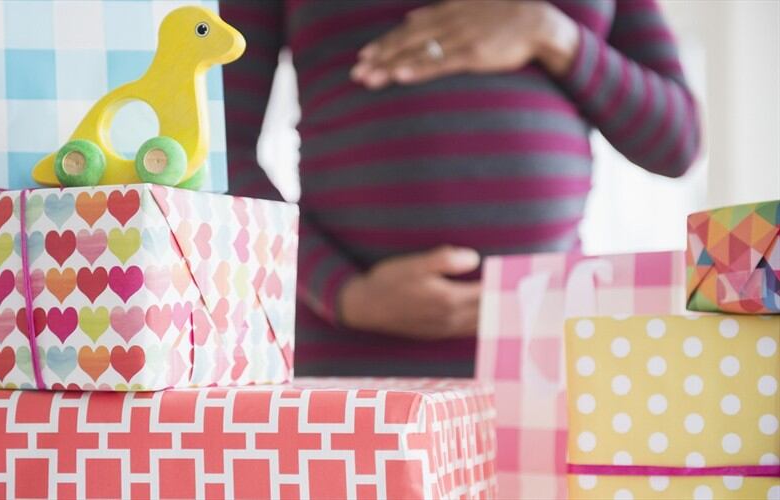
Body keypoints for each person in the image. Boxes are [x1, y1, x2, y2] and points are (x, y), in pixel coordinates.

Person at [221, 0, 700, 377]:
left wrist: (552, 35)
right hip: (349, 350)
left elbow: (677, 142)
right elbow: (217, 151)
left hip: (548, 348)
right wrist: (341, 291)